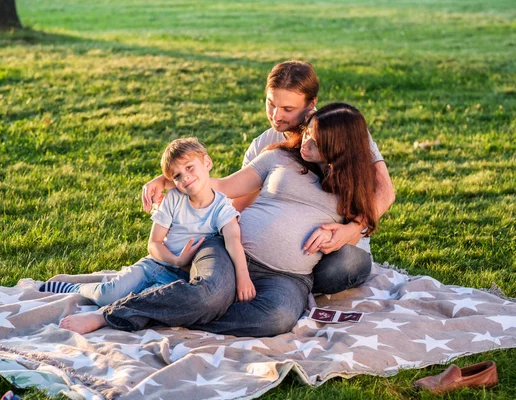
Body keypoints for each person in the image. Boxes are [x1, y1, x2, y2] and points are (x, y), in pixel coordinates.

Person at [57, 102, 382, 337]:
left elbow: (359, 226)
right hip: (229, 249)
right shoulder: (279, 156)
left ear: (342, 148)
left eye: (318, 141)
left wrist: (342, 232)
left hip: (289, 276)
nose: (306, 143)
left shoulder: (355, 186)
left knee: (276, 319)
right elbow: (223, 186)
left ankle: (177, 307)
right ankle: (114, 314)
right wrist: (169, 180)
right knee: (209, 295)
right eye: (307, 134)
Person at [144, 60, 395, 294]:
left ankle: (282, 285)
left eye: (287, 109)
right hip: (269, 257)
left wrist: (349, 229)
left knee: (343, 266)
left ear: (311, 104)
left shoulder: (342, 129)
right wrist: (171, 179)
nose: (276, 116)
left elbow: (385, 191)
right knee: (224, 256)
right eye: (271, 103)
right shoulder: (264, 144)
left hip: (338, 247)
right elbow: (236, 200)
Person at [45, 138, 255, 330]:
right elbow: (154, 243)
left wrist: (243, 277)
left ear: (207, 163)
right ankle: (76, 287)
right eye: (178, 176)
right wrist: (175, 259)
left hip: (179, 276)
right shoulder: (174, 199)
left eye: (190, 167)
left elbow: (233, 241)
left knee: (146, 299)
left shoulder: (221, 208)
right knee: (106, 294)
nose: (186, 177)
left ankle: (104, 316)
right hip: (154, 265)